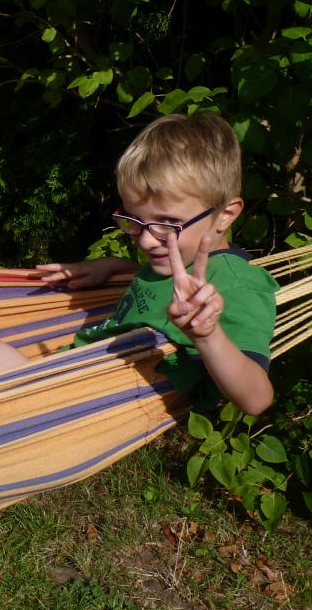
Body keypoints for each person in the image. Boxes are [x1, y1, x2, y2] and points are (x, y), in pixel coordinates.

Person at [36, 111, 277, 415]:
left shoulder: (239, 287)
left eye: (170, 223)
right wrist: (114, 266)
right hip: (58, 373)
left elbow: (257, 399)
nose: (147, 241)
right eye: (134, 220)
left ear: (225, 215)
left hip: (72, 402)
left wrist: (207, 336)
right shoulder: (174, 262)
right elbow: (161, 288)